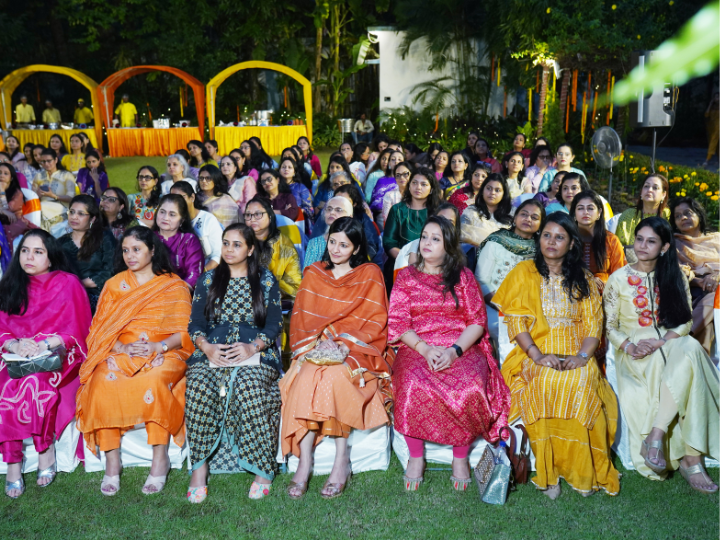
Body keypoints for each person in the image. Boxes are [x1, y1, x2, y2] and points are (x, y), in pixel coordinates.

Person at [493, 213, 620, 499]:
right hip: (534, 350)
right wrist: (537, 355)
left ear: (572, 243)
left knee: (580, 381)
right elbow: (516, 322)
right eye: (547, 235)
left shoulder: (585, 279)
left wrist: (582, 357)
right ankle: (548, 471)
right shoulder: (524, 272)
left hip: (577, 351)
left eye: (559, 237)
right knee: (545, 381)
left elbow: (593, 326)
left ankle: (581, 468)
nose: (551, 242)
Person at [389, 216, 510, 491]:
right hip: (418, 346)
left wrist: (454, 351)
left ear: (449, 246)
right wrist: (425, 349)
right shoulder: (406, 276)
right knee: (411, 383)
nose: (427, 243)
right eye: (424, 236)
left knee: (468, 385)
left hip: (460, 345)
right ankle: (416, 457)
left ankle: (460, 457)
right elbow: (399, 323)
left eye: (436, 239)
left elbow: (477, 322)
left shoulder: (463, 277)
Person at [280, 217, 394, 499]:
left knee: (334, 376)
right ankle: (305, 461)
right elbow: (302, 321)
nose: (336, 249)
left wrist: (342, 344)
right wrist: (319, 345)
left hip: (355, 349)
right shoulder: (315, 273)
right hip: (316, 346)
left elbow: (375, 321)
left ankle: (341, 459)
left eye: (344, 245)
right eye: (332, 242)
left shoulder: (369, 273)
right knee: (307, 376)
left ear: (357, 248)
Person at [603, 217, 719, 493]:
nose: (642, 246)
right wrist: (630, 347)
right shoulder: (618, 278)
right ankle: (690, 459)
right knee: (690, 360)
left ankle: (656, 434)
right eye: (639, 239)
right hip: (634, 345)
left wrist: (663, 341)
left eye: (651, 241)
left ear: (665, 247)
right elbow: (610, 326)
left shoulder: (675, 275)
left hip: (671, 340)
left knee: (689, 347)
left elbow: (685, 322)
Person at [76, 226, 194, 496]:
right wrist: (122, 348)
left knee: (154, 380)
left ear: (152, 250)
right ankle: (112, 462)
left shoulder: (173, 285)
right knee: (102, 381)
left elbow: (186, 332)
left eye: (137, 249)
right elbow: (100, 331)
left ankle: (160, 459)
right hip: (122, 351)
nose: (130, 255)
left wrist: (157, 346)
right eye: (125, 250)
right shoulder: (114, 285)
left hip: (166, 351)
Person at [185, 224, 283, 503]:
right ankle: (199, 468)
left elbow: (275, 322)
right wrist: (207, 347)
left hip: (256, 350)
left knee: (248, 384)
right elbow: (195, 323)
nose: (229, 249)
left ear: (250, 249)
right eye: (226, 243)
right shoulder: (208, 280)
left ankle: (262, 468)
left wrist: (253, 346)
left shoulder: (265, 280)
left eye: (237, 244)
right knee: (198, 384)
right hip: (213, 350)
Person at [0, 230, 91, 498]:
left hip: (59, 354)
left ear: (50, 258)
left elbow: (77, 328)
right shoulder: (10, 284)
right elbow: (2, 327)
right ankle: (13, 462)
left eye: (38, 252)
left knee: (35, 380)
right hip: (14, 354)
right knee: (8, 383)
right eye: (25, 251)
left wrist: (42, 345)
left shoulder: (67, 283)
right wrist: (15, 345)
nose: (29, 257)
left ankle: (45, 450)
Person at [475, 199, 545, 342]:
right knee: (499, 327)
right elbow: (481, 281)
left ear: (540, 225)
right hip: (493, 305)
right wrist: (503, 306)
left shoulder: (542, 250)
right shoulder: (496, 241)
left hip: (529, 309)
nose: (528, 219)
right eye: (524, 214)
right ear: (515, 218)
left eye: (534, 217)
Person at [670, 197, 720, 354]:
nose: (683, 218)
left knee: (716, 295)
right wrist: (699, 282)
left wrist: (717, 276)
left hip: (716, 287)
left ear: (699, 214)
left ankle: (685, 333)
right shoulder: (674, 243)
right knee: (708, 323)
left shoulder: (717, 239)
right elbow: (673, 272)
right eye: (678, 216)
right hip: (692, 290)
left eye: (687, 213)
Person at [383, 168, 442, 290]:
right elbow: (388, 242)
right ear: (409, 186)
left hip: (432, 267)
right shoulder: (397, 210)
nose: (418, 187)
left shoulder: (438, 211)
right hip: (400, 264)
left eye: (423, 184)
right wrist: (407, 259)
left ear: (431, 189)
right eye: (414, 183)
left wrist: (424, 263)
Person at [59, 195, 116, 312]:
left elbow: (111, 270)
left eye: (81, 214)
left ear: (92, 219)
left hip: (101, 295)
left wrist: (81, 283)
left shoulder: (104, 238)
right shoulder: (61, 243)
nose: (74, 217)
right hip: (70, 296)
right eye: (72, 212)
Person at [244, 197, 301, 301]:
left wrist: (270, 286)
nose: (252, 219)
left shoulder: (284, 246)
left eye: (258, 214)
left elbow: (295, 287)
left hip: (273, 301)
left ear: (270, 217)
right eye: (248, 215)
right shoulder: (239, 242)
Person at [571, 190, 626, 290]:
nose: (585, 212)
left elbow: (620, 276)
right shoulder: (567, 239)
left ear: (599, 213)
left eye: (590, 208)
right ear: (574, 213)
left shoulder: (611, 240)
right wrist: (587, 280)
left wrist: (602, 280)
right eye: (580, 208)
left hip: (605, 296)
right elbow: (559, 271)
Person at [170, 181, 223, 272]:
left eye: (181, 197)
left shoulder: (207, 219)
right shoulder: (172, 222)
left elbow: (218, 254)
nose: (177, 202)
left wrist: (201, 272)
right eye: (173, 198)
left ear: (192, 197)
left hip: (207, 272)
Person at [152, 195, 204, 288]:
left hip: (180, 291)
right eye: (162, 212)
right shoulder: (147, 238)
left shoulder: (189, 240)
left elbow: (194, 274)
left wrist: (176, 291)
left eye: (172, 214)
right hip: (149, 290)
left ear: (182, 220)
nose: (165, 218)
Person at [615, 174, 670, 248]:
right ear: (641, 192)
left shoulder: (669, 215)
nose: (649, 190)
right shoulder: (628, 215)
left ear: (663, 194)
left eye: (655, 188)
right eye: (646, 186)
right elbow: (617, 247)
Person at [459, 173, 513, 247]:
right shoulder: (471, 212)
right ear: (482, 191)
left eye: (497, 190)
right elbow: (462, 236)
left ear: (504, 194)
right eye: (489, 188)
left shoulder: (511, 214)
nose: (492, 193)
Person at [30, 149, 76, 232]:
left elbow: (71, 198)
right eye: (43, 161)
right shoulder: (38, 176)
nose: (46, 164)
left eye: (49, 161)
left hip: (62, 208)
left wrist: (54, 196)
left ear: (56, 160)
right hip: (41, 207)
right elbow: (32, 198)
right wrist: (37, 195)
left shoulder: (66, 175)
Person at [303, 196, 353, 270]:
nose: (332, 213)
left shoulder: (354, 242)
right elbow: (306, 272)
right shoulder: (315, 243)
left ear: (350, 216)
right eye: (329, 209)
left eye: (338, 210)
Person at [0, 165, 40, 246]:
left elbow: (8, 210)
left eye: (6, 173)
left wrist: (2, 192)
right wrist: (2, 210)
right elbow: (4, 211)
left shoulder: (17, 193)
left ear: (11, 178)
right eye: (0, 173)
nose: (1, 175)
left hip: (13, 221)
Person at [370, 150, 406, 218]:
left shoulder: (408, 181)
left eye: (399, 159)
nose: (396, 162)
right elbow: (375, 203)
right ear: (389, 163)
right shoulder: (381, 180)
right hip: (383, 215)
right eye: (393, 159)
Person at [278, 157, 313, 224]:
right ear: (279, 170)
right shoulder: (275, 187)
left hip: (298, 221)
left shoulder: (300, 187)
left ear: (294, 172)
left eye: (290, 167)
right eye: (283, 167)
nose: (286, 169)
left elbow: (310, 208)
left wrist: (296, 211)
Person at [381, 161, 414, 229]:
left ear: (411, 174)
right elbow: (387, 218)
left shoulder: (417, 194)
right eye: (398, 175)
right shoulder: (389, 195)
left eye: (405, 174)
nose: (401, 178)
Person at [703, 92, 719, 167]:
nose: (717, 99)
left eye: (718, 97)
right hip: (711, 127)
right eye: (716, 97)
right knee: (715, 144)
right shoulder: (712, 107)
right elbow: (706, 115)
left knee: (713, 143)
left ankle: (707, 160)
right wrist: (710, 103)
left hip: (718, 127)